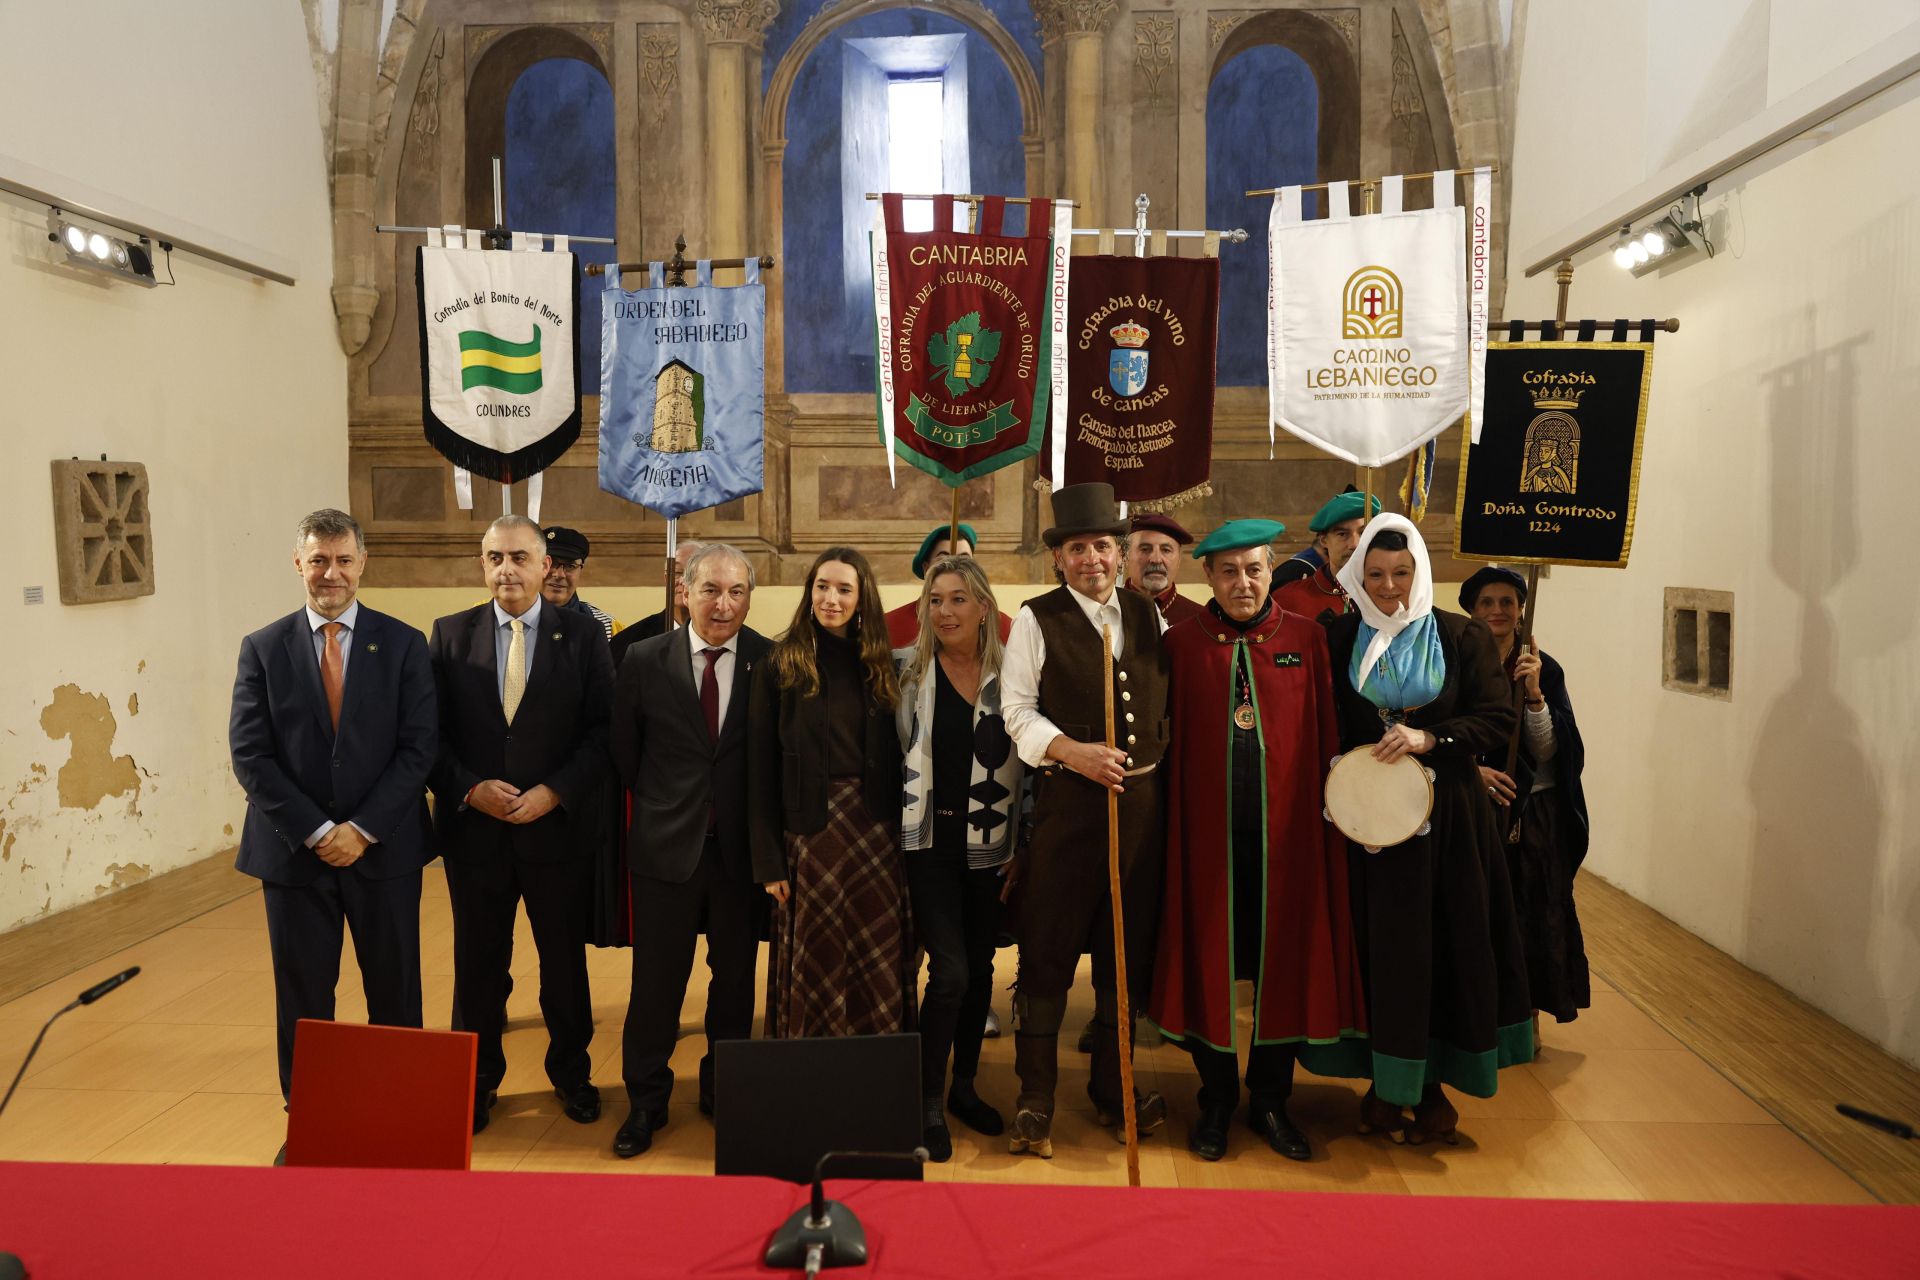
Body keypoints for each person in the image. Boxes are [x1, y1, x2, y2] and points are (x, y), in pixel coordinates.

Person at [1148, 519, 1368, 1163]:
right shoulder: (1182, 646)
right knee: (1208, 964)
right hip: (1206, 842)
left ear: (1272, 570)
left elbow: (1327, 735)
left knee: (1284, 967)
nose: (1241, 583)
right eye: (1227, 571)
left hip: (1289, 845)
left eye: (1253, 569)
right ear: (1208, 578)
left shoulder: (1307, 639)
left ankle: (1271, 1098)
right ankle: (1215, 1099)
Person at [228, 509, 436, 1152]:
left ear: (362, 563)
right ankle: (311, 1122)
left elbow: (419, 747)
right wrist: (319, 830)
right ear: (298, 565)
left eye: (343, 560)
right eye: (318, 560)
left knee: (395, 991)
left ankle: (402, 1119)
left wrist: (363, 828)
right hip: (295, 855)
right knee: (304, 1000)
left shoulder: (403, 644)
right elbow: (250, 755)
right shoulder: (263, 648)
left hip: (385, 849)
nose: (331, 573)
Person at [1324, 514, 1532, 1145]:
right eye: (1376, 575)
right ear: (1359, 575)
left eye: (1401, 573)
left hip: (1449, 828)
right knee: (1380, 954)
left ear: (1420, 572)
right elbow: (1323, 714)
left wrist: (1432, 738)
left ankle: (1435, 1088)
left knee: (1445, 948)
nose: (1389, 588)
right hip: (1369, 830)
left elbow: (1495, 720)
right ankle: (1384, 1085)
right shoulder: (1339, 637)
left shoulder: (1461, 636)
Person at [429, 515, 615, 1134]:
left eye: (518, 557)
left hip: (555, 832)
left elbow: (603, 732)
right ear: (483, 566)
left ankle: (571, 1072)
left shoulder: (585, 638)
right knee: (479, 964)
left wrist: (555, 792)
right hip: (476, 834)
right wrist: (468, 789)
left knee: (562, 963)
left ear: (544, 567)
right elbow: (430, 737)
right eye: (493, 558)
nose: (505, 569)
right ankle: (476, 1082)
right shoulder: (450, 635)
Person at [1001, 482, 1169, 1156]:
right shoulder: (1035, 620)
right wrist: (1072, 752)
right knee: (1047, 956)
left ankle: (1114, 1088)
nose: (1093, 559)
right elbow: (1017, 711)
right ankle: (1035, 1097)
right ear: (1059, 558)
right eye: (1078, 548)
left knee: (1124, 963)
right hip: (1069, 814)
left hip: (1142, 819)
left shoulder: (1148, 613)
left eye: (1103, 545)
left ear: (1118, 551)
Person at [609, 544, 771, 1158]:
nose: (722, 603)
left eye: (735, 592)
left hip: (738, 857)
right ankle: (645, 1102)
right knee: (656, 987)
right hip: (664, 853)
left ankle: (724, 1089)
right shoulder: (643, 659)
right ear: (685, 592)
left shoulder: (769, 661)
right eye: (710, 590)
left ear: (748, 598)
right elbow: (626, 752)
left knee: (733, 983)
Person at [894, 555, 1024, 1161]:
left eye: (957, 600)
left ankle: (965, 1087)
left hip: (989, 847)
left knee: (979, 972)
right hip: (927, 845)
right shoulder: (907, 673)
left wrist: (1021, 845)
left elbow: (1029, 765)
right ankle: (924, 1100)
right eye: (935, 600)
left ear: (982, 608)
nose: (944, 611)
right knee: (948, 974)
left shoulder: (1014, 676)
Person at [749, 547, 910, 1038]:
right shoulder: (781, 662)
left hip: (875, 828)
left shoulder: (883, 663)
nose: (831, 598)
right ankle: (811, 1075)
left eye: (844, 589)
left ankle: (875, 1067)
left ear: (862, 599)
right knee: (815, 956)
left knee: (873, 953)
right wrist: (770, 862)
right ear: (809, 591)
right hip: (810, 831)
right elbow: (759, 768)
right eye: (822, 586)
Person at [1461, 565, 1591, 1028]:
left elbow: (1551, 751)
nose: (1497, 611)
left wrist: (1535, 696)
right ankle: (1481, 1014)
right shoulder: (1456, 661)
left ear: (1521, 612)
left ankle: (1525, 1016)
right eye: (1487, 603)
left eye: (1507, 603)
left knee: (1533, 914)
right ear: (1472, 611)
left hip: (1533, 816)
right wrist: (1472, 771)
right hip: (1473, 808)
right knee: (1480, 912)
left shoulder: (1542, 666)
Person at [883, 522, 1014, 649]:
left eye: (964, 560)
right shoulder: (888, 626)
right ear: (926, 568)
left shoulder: (1005, 628)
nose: (954, 568)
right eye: (943, 559)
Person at [1271, 489, 1381, 623]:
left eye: (1363, 532)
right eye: (1342, 534)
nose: (1354, 544)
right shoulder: (1289, 599)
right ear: (1324, 540)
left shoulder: (1390, 594)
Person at [614, 540, 705, 670]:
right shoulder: (631, 642)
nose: (683, 581)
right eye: (677, 572)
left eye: (692, 573)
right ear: (666, 578)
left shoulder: (728, 637)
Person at [1124, 511, 1206, 627]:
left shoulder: (1200, 619)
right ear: (1125, 557)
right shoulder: (1106, 610)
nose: (1156, 559)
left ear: (1179, 560)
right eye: (1145, 549)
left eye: (1166, 550)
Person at [539, 525, 619, 641]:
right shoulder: (513, 622)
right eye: (552, 563)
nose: (559, 574)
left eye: (570, 566)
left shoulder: (605, 627)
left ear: (581, 569)